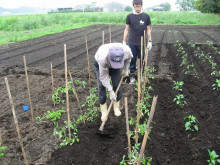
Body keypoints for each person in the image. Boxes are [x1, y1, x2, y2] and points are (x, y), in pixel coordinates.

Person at [94, 43, 133, 121]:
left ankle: (116, 107)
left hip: (115, 65)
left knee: (116, 84)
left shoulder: (127, 51)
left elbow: (129, 59)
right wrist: (110, 90)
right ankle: (104, 111)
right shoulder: (102, 58)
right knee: (101, 86)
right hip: (101, 65)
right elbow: (103, 77)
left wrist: (126, 69)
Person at [123, 0, 152, 84]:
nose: (137, 8)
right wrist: (124, 41)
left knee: (142, 60)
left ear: (141, 6)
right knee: (132, 60)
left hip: (142, 43)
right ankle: (132, 77)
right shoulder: (129, 16)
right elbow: (126, 29)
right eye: (136, 6)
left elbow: (148, 29)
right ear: (133, 6)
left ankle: (142, 76)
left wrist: (150, 41)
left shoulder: (146, 16)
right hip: (132, 42)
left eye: (139, 6)